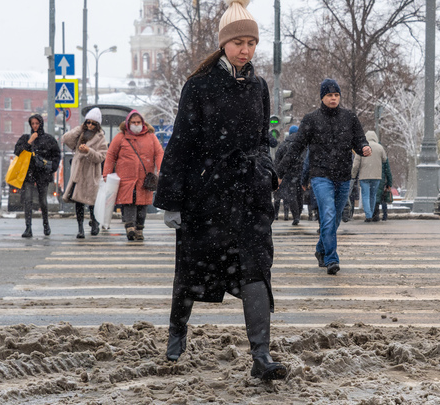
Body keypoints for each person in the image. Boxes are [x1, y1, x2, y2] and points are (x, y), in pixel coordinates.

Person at [153, 0, 287, 381]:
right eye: (239, 42)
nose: (246, 50)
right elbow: (180, 144)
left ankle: (261, 357)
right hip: (206, 198)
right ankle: (177, 333)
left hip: (249, 197)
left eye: (252, 43)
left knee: (256, 271)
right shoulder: (198, 86)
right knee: (191, 274)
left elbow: (263, 140)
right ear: (224, 43)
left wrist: (266, 169)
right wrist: (172, 201)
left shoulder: (259, 86)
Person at [277, 78, 371, 275]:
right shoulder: (311, 119)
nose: (333, 98)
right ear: (322, 97)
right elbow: (296, 148)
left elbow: (359, 140)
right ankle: (331, 259)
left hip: (344, 176)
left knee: (334, 220)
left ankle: (321, 249)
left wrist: (363, 148)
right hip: (320, 176)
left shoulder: (349, 117)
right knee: (327, 215)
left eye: (336, 95)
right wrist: (280, 173)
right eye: (329, 95)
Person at [102, 110, 163, 241]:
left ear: (143, 123)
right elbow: (111, 155)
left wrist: (160, 169)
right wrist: (106, 174)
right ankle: (130, 228)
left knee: (142, 204)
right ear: (128, 123)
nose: (136, 125)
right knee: (128, 202)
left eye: (138, 122)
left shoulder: (151, 136)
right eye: (133, 122)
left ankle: (139, 229)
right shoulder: (120, 137)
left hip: (145, 178)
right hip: (126, 178)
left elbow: (159, 153)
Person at [61, 108, 109, 239]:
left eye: (93, 123)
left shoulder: (100, 137)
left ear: (97, 125)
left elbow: (101, 157)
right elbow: (66, 139)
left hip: (91, 174)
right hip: (78, 173)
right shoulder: (81, 133)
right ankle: (80, 228)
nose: (90, 125)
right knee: (79, 202)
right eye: (88, 122)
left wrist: (88, 150)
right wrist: (80, 128)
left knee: (92, 202)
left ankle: (95, 223)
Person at [14, 114, 61, 238]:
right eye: (32, 123)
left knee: (42, 201)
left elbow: (56, 154)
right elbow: (17, 152)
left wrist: (51, 167)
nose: (35, 126)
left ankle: (46, 224)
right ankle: (28, 228)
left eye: (37, 123)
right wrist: (29, 142)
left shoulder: (48, 139)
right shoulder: (25, 138)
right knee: (28, 200)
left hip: (42, 174)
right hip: (28, 174)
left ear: (41, 124)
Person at [351, 130, 387, 222]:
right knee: (373, 195)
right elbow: (384, 159)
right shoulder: (380, 147)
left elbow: (356, 164)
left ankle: (368, 215)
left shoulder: (362, 147)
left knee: (365, 195)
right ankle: (371, 213)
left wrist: (353, 175)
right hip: (376, 176)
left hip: (364, 176)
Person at [274, 125, 305, 225]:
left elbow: (277, 159)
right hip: (301, 172)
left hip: (288, 174)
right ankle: (298, 214)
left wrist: (279, 174)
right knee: (300, 194)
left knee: (291, 195)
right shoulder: (303, 144)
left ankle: (296, 216)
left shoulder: (284, 144)